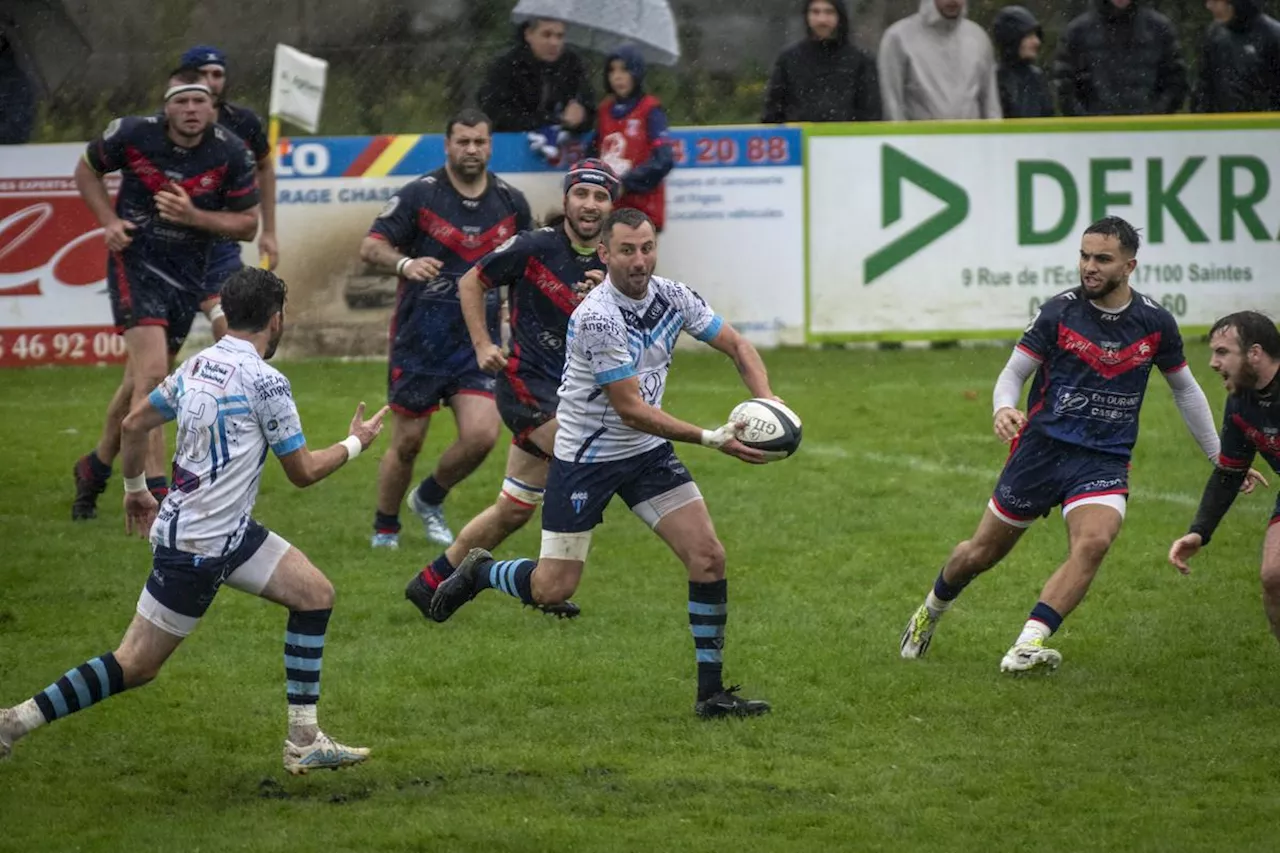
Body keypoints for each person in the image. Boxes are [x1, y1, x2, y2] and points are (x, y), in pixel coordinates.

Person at [1, 268, 386, 774]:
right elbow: (303, 472)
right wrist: (357, 441)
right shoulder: (267, 382)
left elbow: (134, 423)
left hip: (226, 532)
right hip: (200, 548)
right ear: (276, 319)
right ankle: (13, 722)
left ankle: (304, 738)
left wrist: (135, 489)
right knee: (136, 664)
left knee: (314, 594)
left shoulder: (202, 362)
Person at [425, 208, 777, 720]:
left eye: (648, 248)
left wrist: (769, 403)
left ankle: (711, 694)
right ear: (605, 254)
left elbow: (738, 345)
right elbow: (630, 408)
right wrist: (710, 437)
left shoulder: (674, 296)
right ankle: (482, 574)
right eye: (628, 251)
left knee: (708, 558)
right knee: (552, 588)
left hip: (646, 454)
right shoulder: (597, 316)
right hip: (587, 457)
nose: (640, 261)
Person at [899, 216, 1253, 673]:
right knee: (980, 554)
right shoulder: (1057, 312)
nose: (1089, 266)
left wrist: (1218, 457)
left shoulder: (1155, 323)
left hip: (1103, 457)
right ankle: (932, 609)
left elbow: (1185, 389)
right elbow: (1013, 374)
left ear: (1129, 266)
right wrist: (1002, 408)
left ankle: (1027, 644)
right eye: (1084, 256)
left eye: (1102, 258)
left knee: (1094, 542)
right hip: (1041, 452)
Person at [404, 159, 620, 621]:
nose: (590, 204)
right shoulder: (534, 245)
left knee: (514, 509)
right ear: (565, 200)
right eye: (581, 193)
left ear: (611, 206)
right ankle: (550, 580)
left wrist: (611, 294)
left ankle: (429, 585)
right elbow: (470, 281)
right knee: (587, 459)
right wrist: (483, 345)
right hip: (528, 387)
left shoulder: (615, 258)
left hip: (574, 396)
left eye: (600, 196)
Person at [71, 69, 260, 521]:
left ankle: (94, 467)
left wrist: (194, 216)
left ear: (213, 107)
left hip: (188, 273)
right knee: (155, 375)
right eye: (182, 102)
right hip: (136, 264)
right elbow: (87, 170)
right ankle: (153, 490)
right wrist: (109, 223)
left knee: (140, 380)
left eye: (200, 102)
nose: (191, 110)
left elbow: (248, 223)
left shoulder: (231, 151)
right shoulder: (134, 134)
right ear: (167, 105)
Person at [359, 109, 533, 550]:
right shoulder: (421, 195)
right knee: (409, 443)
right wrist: (406, 263)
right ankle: (385, 528)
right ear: (447, 145)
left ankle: (429, 498)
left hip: (477, 344)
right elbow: (371, 245)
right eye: (463, 142)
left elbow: (531, 264)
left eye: (479, 142)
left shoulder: (512, 203)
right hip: (419, 339)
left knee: (481, 436)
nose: (471, 150)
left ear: (490, 146)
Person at [1169, 312, 1280, 644]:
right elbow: (1229, 472)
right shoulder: (1240, 404)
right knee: (1273, 577)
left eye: (1222, 352)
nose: (1213, 363)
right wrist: (1199, 533)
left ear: (1255, 353)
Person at [180, 45, 280, 272]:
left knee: (230, 302)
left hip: (222, 234)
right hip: (173, 236)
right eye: (203, 74)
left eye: (217, 75)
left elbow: (265, 169)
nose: (211, 82)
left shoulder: (244, 122)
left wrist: (269, 233)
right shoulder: (162, 125)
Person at [1052, 0, 1188, 116]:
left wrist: (1156, 115)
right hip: (1095, 135)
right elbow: (1065, 87)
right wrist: (1087, 121)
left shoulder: (1159, 29)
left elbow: (1176, 81)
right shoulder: (1077, 32)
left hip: (1149, 132)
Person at [591, 46, 675, 232]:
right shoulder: (604, 111)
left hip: (643, 207)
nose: (618, 76)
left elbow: (664, 159)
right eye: (612, 70)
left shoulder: (650, 109)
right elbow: (593, 155)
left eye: (624, 69)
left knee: (636, 258)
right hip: (611, 208)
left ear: (636, 72)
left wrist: (627, 183)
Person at [877, 0, 1002, 120]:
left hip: (971, 139)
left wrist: (996, 139)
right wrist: (901, 140)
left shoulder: (978, 38)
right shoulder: (899, 38)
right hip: (920, 139)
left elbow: (991, 104)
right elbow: (893, 105)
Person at [761, 0, 882, 123]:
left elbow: (871, 112)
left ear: (840, 16)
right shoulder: (789, 59)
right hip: (799, 139)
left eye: (829, 12)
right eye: (815, 12)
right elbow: (773, 110)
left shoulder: (862, 61)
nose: (822, 20)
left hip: (847, 139)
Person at [477, 19, 595, 135]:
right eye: (546, 35)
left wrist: (581, 116)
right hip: (512, 142)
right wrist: (548, 121)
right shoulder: (506, 65)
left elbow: (588, 105)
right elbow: (494, 112)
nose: (554, 43)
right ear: (528, 34)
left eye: (560, 36)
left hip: (560, 144)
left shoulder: (571, 64)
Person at [1192, 0, 1280, 113]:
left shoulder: (1272, 35)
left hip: (1264, 126)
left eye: (1215, 1)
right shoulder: (1215, 34)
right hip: (1221, 125)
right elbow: (1204, 85)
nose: (1209, 6)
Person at [992, 5, 1054, 118]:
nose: (1036, 42)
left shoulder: (1037, 78)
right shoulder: (993, 79)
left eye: (1036, 35)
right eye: (1029, 36)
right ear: (1012, 38)